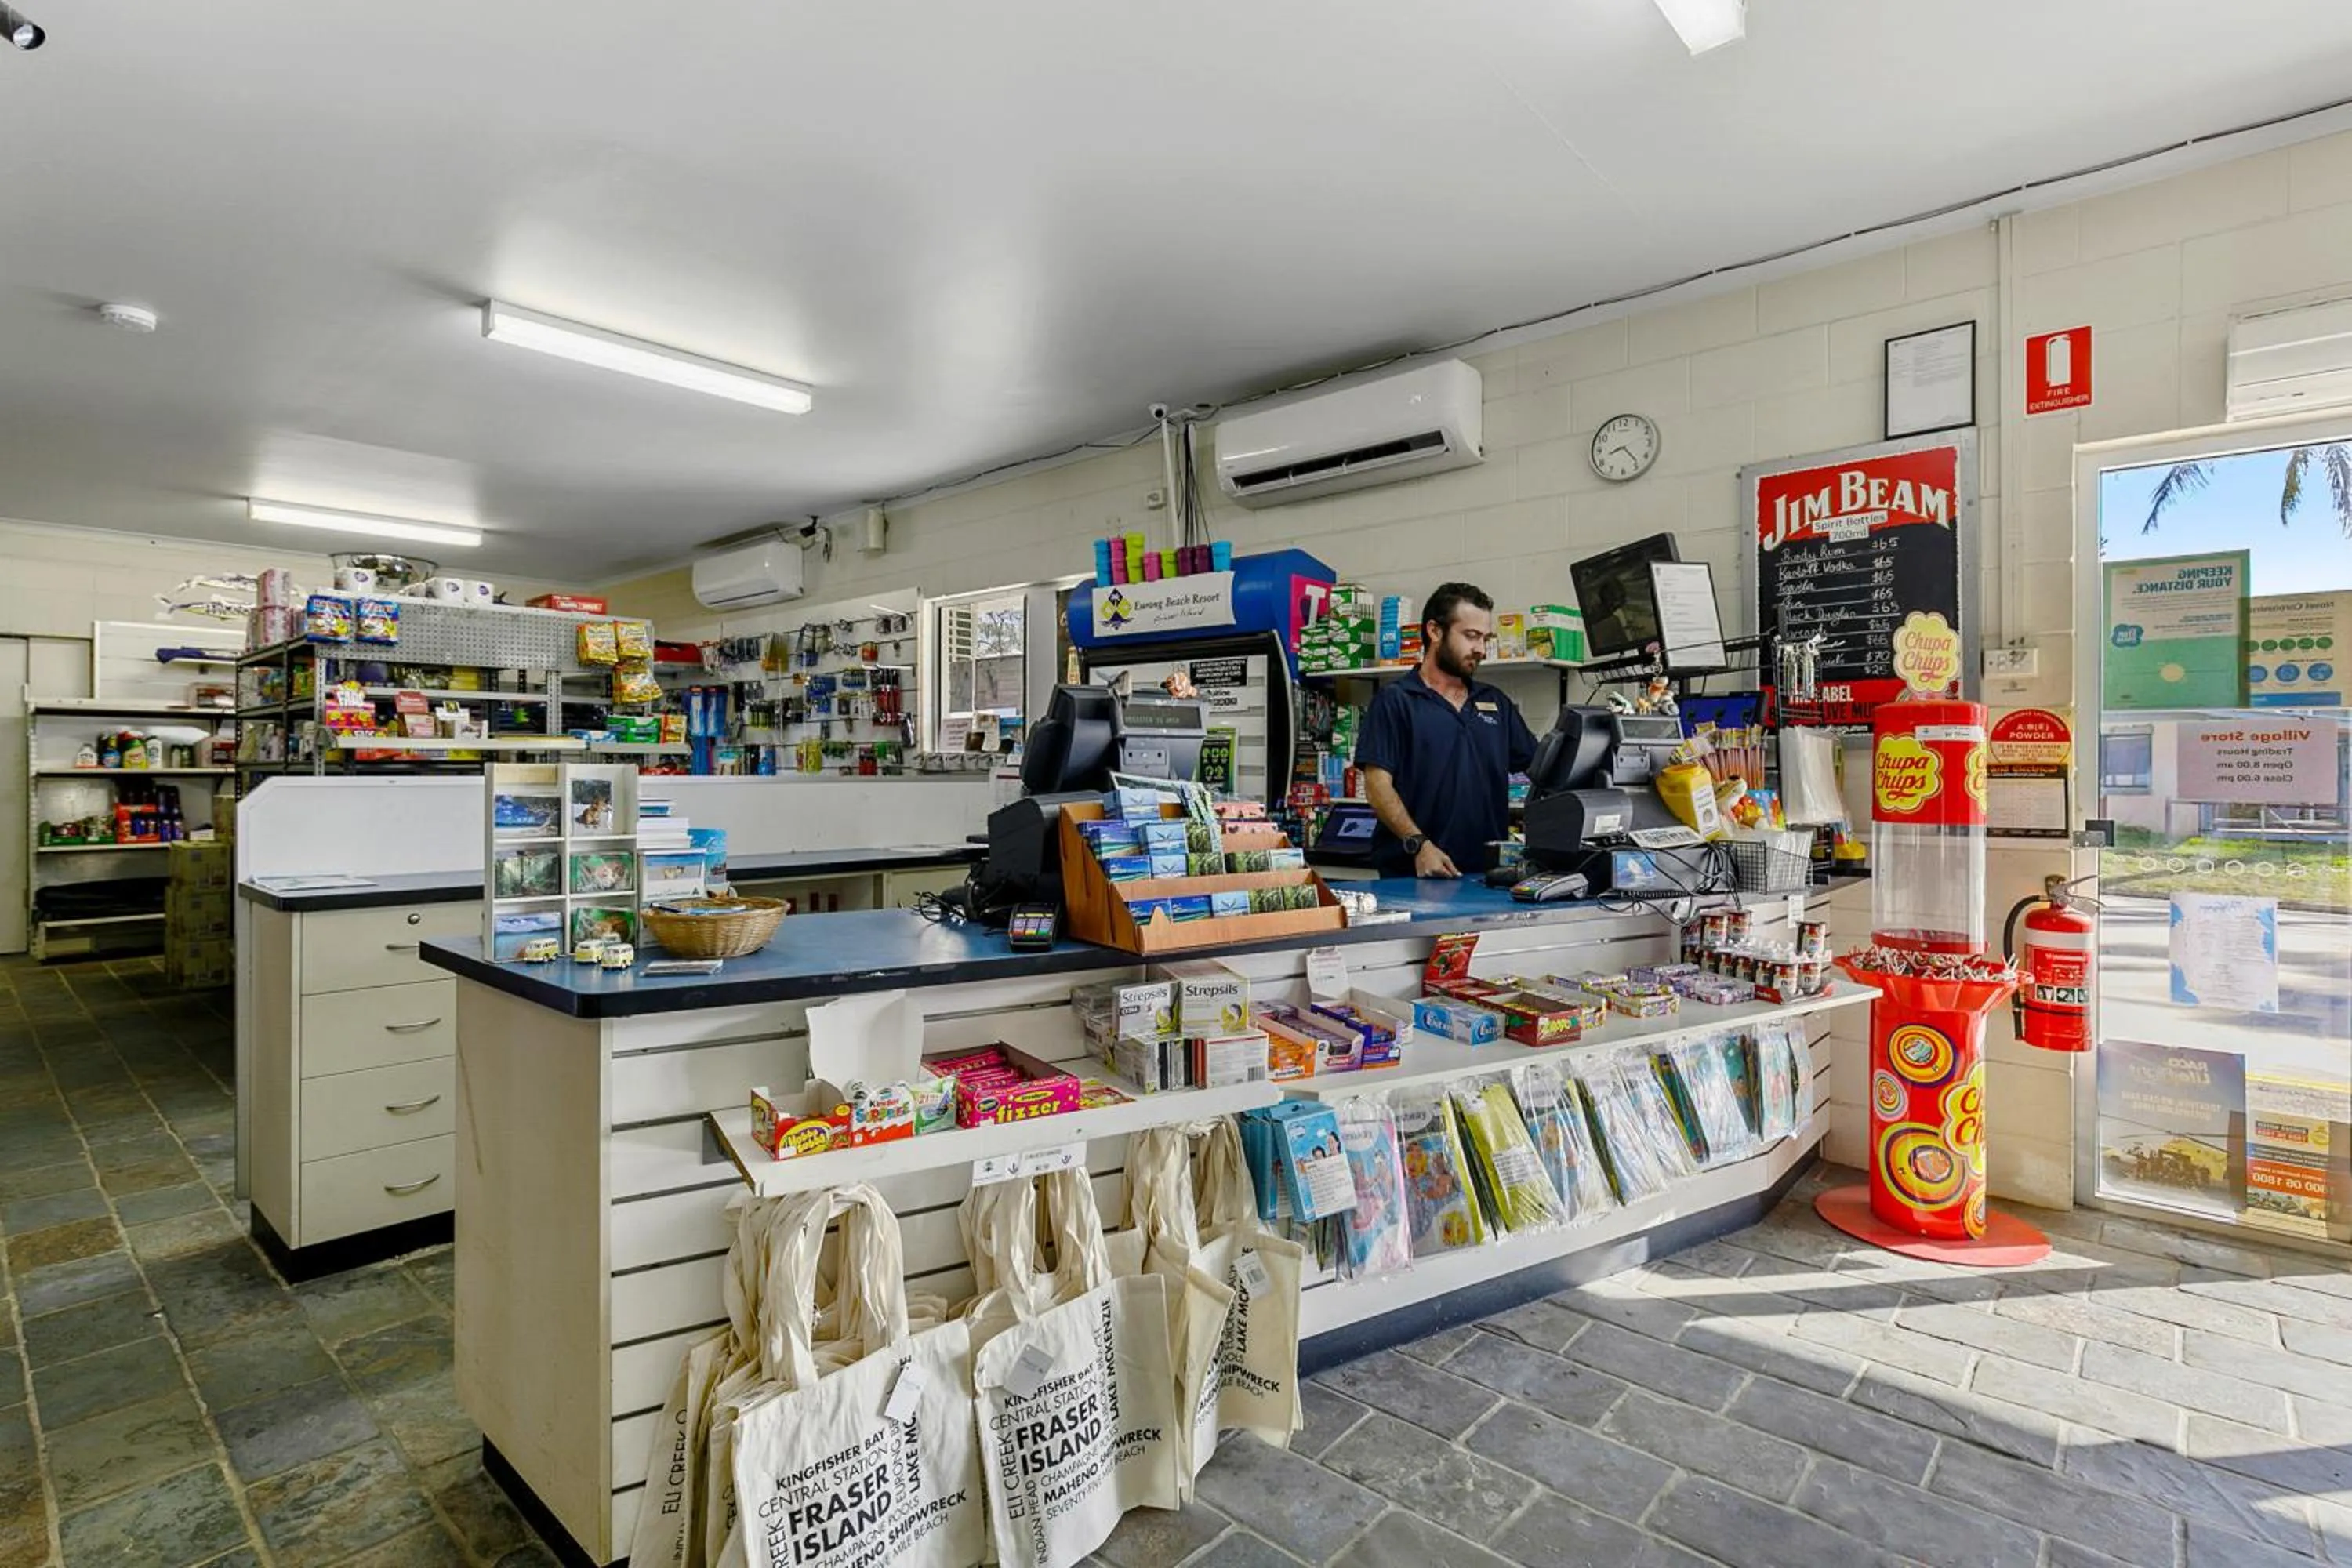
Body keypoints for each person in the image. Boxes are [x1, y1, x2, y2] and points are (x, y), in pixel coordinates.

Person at [1354, 581, 1538, 878]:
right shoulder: (1396, 702)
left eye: (1485, 638)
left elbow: (1542, 769)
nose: (1480, 649)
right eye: (1471, 636)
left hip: (1487, 878)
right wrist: (1419, 844)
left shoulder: (1494, 703)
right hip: (1413, 876)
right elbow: (1378, 788)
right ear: (1435, 631)